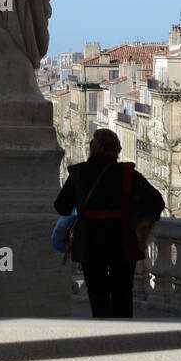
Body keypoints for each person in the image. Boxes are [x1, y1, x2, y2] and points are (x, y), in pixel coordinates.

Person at [55, 128, 164, 318]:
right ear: (117, 150)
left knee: (98, 294)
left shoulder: (79, 173)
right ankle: (123, 336)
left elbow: (62, 207)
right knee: (122, 292)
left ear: (92, 148)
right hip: (122, 240)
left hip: (90, 242)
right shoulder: (128, 174)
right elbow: (157, 202)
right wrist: (136, 218)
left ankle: (103, 333)